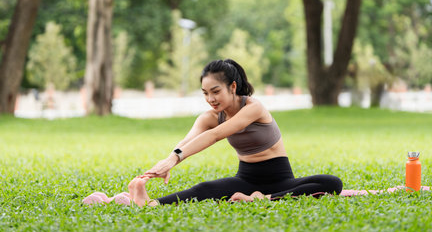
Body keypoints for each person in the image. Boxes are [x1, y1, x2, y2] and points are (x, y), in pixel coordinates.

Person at [128, 59, 343, 207]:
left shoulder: (254, 108)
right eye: (205, 93)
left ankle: (264, 198)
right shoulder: (210, 117)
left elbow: (214, 136)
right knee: (204, 188)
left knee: (332, 183)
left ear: (232, 87)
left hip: (281, 180)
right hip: (246, 179)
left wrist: (175, 158)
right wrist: (168, 161)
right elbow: (188, 140)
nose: (210, 99)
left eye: (215, 92)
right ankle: (153, 204)